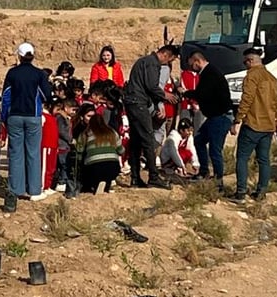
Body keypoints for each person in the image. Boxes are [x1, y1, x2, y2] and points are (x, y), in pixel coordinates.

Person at [1, 42, 53, 211]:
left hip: (14, 116)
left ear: (19, 55)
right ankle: (34, 190)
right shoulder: (39, 74)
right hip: (33, 116)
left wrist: (4, 118)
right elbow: (47, 95)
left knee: (15, 153)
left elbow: (6, 97)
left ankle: (16, 189)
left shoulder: (12, 73)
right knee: (33, 152)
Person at [123, 44, 180, 189]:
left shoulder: (144, 61)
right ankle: (153, 176)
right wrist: (165, 96)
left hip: (134, 102)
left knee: (136, 140)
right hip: (138, 103)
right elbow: (152, 86)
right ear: (166, 55)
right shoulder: (152, 64)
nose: (168, 64)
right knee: (148, 138)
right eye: (170, 60)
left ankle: (135, 177)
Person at [230, 48, 277, 203]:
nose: (245, 65)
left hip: (253, 123)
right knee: (264, 159)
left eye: (245, 62)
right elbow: (276, 103)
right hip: (268, 125)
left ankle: (241, 192)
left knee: (242, 157)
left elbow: (247, 99)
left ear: (250, 61)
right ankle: (261, 191)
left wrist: (237, 119)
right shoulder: (271, 77)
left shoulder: (252, 76)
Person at [182, 49, 234, 190]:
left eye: (192, 65)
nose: (191, 69)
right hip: (214, 116)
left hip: (221, 116)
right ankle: (204, 171)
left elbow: (202, 94)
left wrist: (185, 93)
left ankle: (219, 182)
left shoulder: (210, 74)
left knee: (215, 149)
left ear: (197, 62)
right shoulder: (208, 73)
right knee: (199, 140)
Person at [75, 111, 124, 194]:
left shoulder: (86, 134)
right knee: (107, 173)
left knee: (91, 171)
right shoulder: (112, 132)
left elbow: (79, 151)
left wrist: (79, 164)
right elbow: (121, 150)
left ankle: (94, 185)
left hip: (94, 166)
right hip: (112, 165)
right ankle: (106, 185)